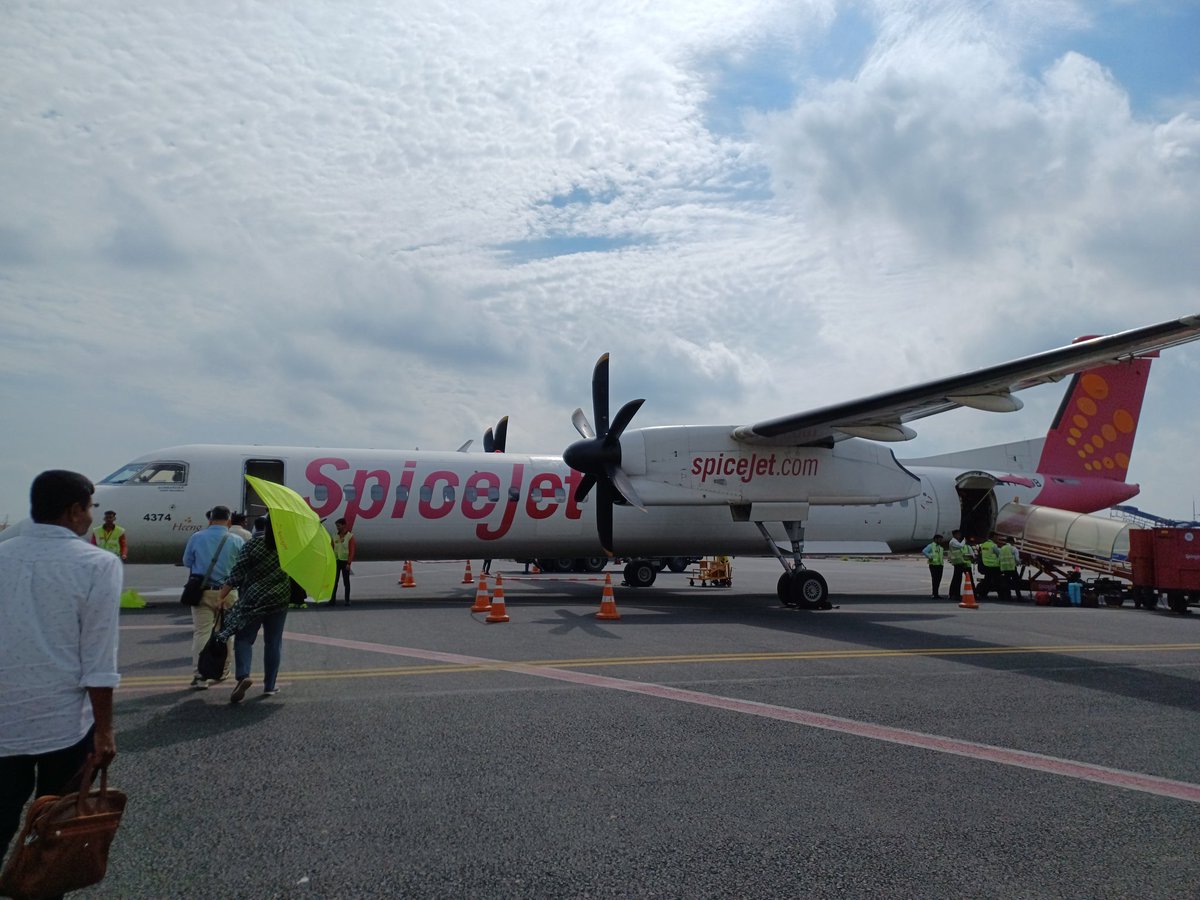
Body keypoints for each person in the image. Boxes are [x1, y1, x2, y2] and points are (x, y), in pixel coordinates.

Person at [0, 471, 122, 862]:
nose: (91, 515)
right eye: (90, 507)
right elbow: (99, 659)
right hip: (64, 725)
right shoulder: (98, 564)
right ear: (74, 511)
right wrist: (105, 731)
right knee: (56, 833)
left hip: (4, 723)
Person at [217, 518, 292, 701]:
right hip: (278, 599)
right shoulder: (289, 547)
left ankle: (243, 676)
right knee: (273, 643)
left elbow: (237, 572)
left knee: (244, 639)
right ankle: (270, 686)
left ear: (265, 527)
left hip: (253, 599)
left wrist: (221, 596)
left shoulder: (253, 544)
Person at [182, 505, 244, 688]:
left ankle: (200, 675)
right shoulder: (236, 540)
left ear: (210, 520)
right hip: (228, 592)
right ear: (229, 521)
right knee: (226, 633)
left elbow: (187, 562)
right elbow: (242, 566)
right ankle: (222, 671)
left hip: (203, 590)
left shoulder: (197, 537)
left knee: (202, 632)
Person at [330, 518, 356, 606]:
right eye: (336, 526)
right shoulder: (335, 536)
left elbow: (352, 551)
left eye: (338, 526)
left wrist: (349, 563)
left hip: (345, 562)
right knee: (334, 582)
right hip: (336, 561)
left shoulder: (350, 537)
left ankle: (347, 600)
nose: (337, 528)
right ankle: (332, 600)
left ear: (344, 525)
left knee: (346, 582)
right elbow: (331, 549)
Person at [946, 529, 972, 602]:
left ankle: (953, 594)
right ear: (954, 535)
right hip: (957, 562)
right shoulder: (953, 541)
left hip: (959, 562)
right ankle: (955, 594)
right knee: (957, 579)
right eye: (958, 534)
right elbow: (960, 546)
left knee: (956, 579)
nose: (959, 536)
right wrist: (964, 540)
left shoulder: (955, 541)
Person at [974, 533, 1002, 601]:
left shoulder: (984, 544)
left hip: (985, 565)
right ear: (992, 537)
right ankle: (1001, 595)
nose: (997, 538)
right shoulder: (993, 545)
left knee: (987, 581)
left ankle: (983, 594)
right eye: (996, 537)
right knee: (997, 581)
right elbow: (999, 554)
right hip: (993, 566)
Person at [921, 534, 945, 598]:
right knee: (935, 580)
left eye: (941, 540)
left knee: (938, 580)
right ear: (935, 539)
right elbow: (924, 551)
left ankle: (936, 593)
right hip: (933, 565)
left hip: (940, 565)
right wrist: (929, 556)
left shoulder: (940, 547)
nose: (941, 541)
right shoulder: (931, 546)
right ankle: (934, 593)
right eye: (940, 540)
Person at [997, 535, 1019, 602]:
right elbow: (1017, 559)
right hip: (1012, 568)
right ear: (1012, 541)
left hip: (1004, 568)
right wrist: (1017, 563)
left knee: (1007, 583)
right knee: (1017, 582)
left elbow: (999, 558)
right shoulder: (1013, 548)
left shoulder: (1002, 548)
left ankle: (1007, 597)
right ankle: (1019, 597)